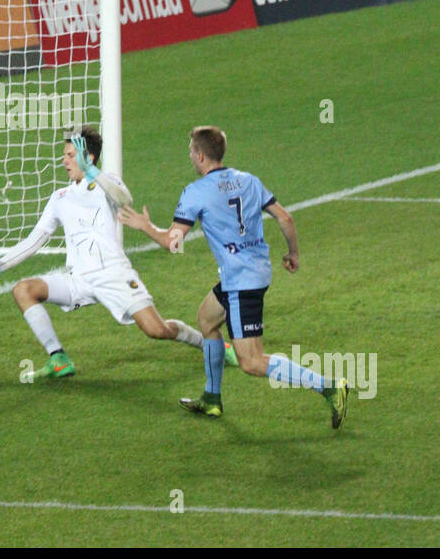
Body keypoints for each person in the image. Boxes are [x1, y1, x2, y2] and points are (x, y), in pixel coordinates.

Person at [118, 126, 349, 425]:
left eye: (190, 150)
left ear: (200, 156)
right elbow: (285, 218)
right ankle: (212, 398)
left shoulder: (196, 192)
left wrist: (144, 226)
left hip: (241, 281)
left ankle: (329, 386)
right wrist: (294, 254)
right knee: (206, 319)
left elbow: (173, 244)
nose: (189, 155)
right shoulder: (248, 180)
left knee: (251, 361)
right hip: (253, 271)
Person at [0, 128, 206, 381]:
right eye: (65, 155)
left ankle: (210, 346)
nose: (64, 160)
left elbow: (125, 198)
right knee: (23, 290)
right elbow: (34, 241)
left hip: (113, 275)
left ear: (89, 157)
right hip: (79, 280)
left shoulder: (107, 183)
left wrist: (93, 173)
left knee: (156, 330)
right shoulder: (59, 197)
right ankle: (58, 358)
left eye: (71, 155)